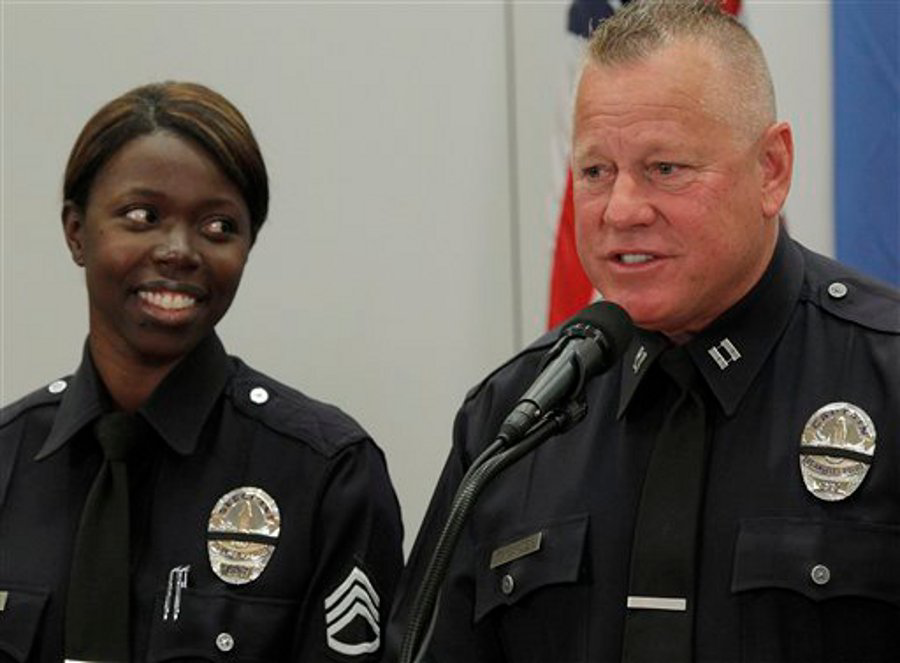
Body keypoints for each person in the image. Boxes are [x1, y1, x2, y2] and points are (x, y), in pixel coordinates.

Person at [386, 1, 900, 661]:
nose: (622, 209)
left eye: (666, 168)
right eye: (596, 172)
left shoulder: (885, 378)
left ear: (771, 169)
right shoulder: (512, 421)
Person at [0, 81, 403, 661]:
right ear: (76, 231)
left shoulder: (325, 475)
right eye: (142, 216)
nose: (179, 250)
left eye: (218, 227)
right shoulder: (8, 463)